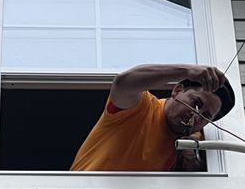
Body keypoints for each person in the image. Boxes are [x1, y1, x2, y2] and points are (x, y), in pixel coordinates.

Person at [71, 63, 235, 172]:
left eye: (205, 115)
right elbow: (122, 83)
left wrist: (191, 159)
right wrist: (186, 71)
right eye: (196, 103)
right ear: (177, 91)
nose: (196, 114)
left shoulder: (191, 143)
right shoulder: (142, 107)